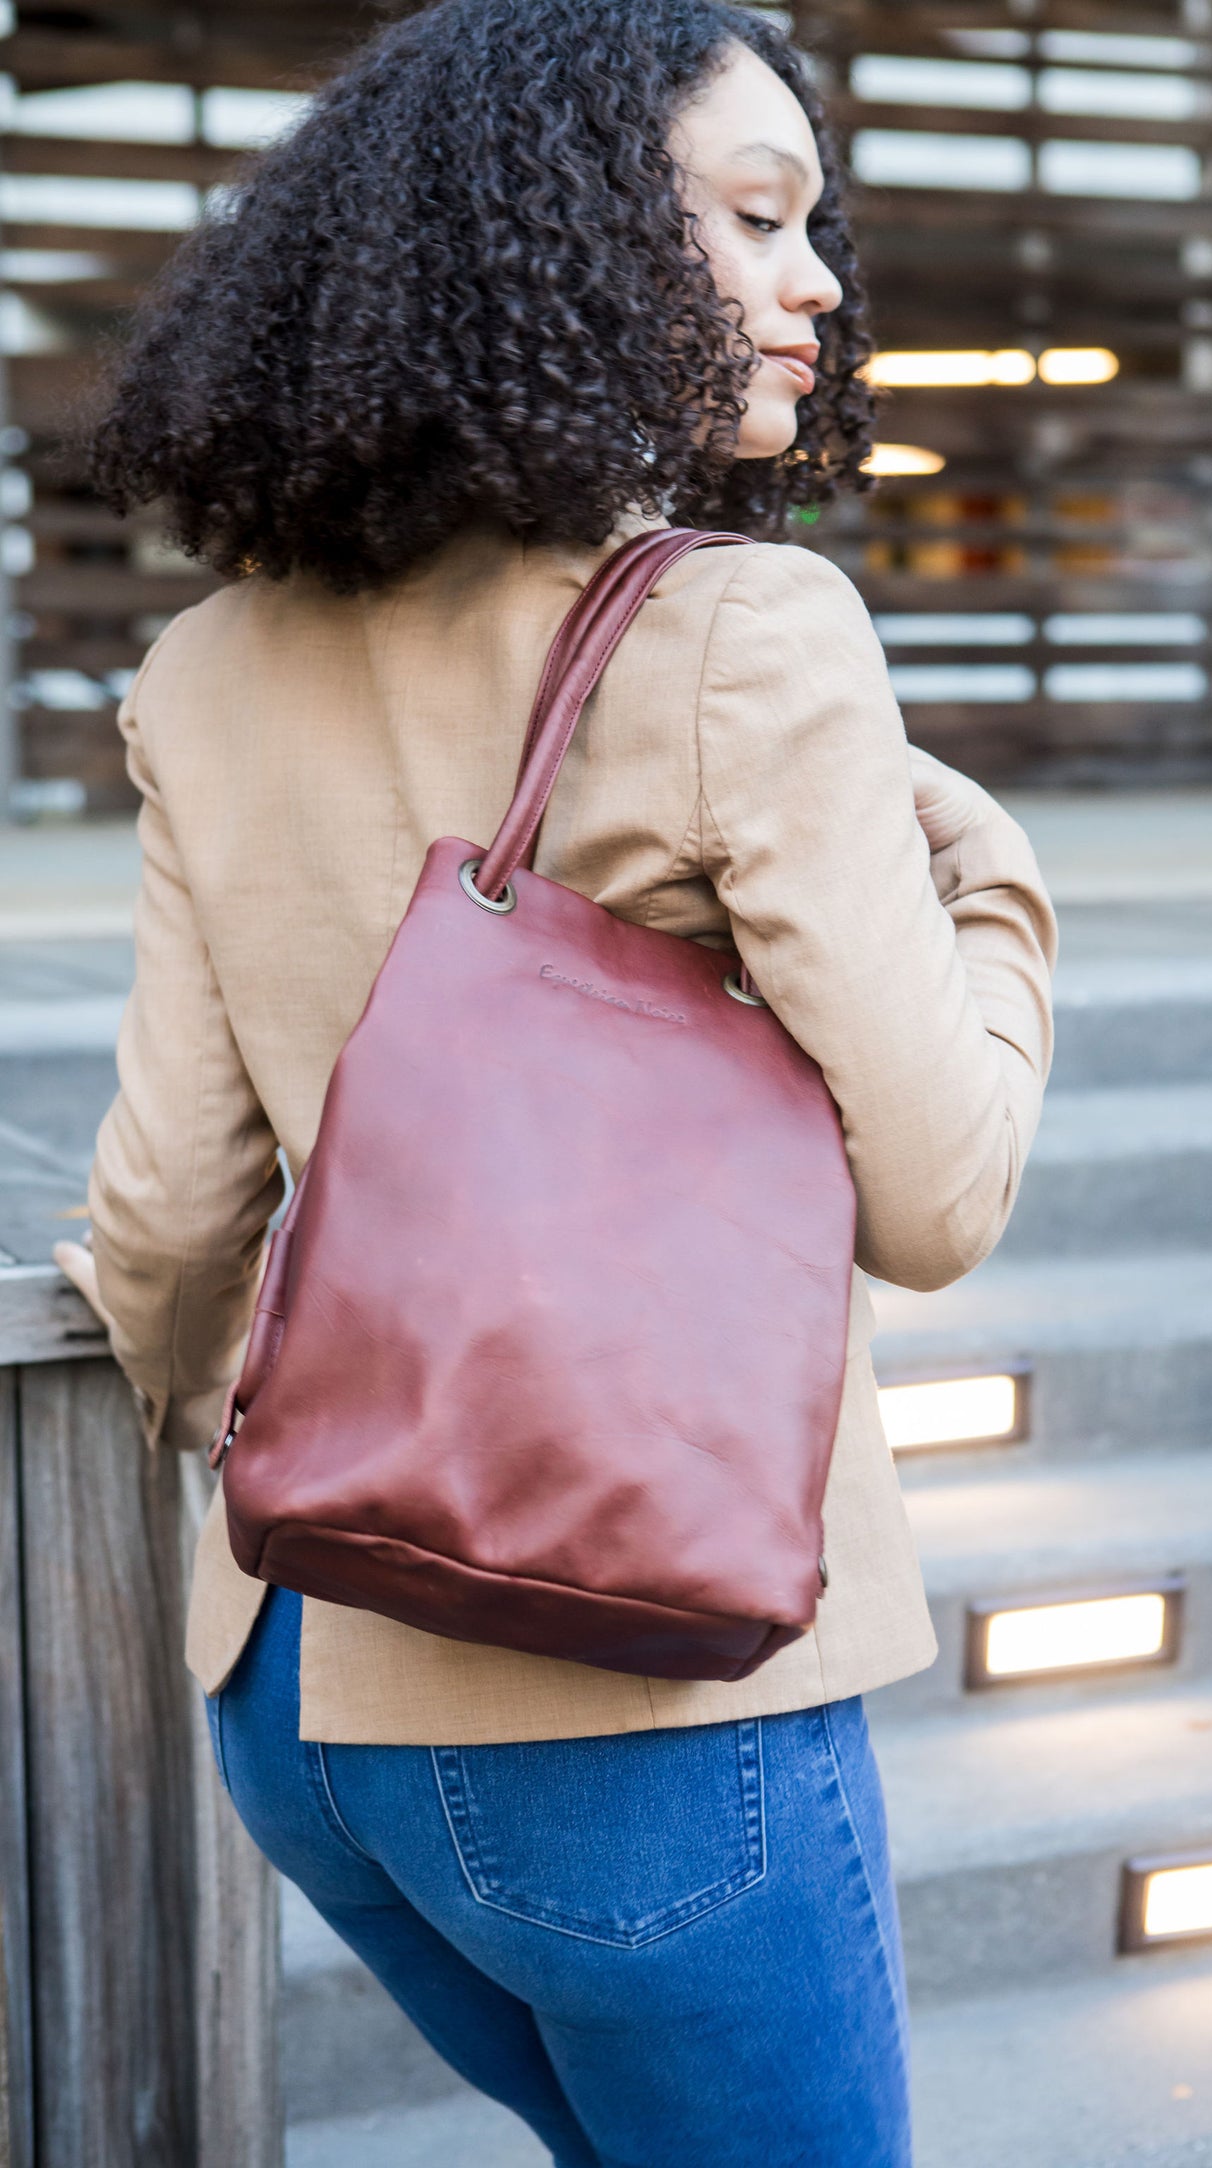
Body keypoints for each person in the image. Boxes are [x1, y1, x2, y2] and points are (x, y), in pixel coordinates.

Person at [65, 4, 1056, 2161]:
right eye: (758, 217)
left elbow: (164, 1206)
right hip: (638, 1689)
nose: (818, 281)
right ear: (572, 240)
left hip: (301, 1691)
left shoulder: (209, 664)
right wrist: (992, 884)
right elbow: (941, 1193)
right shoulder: (740, 635)